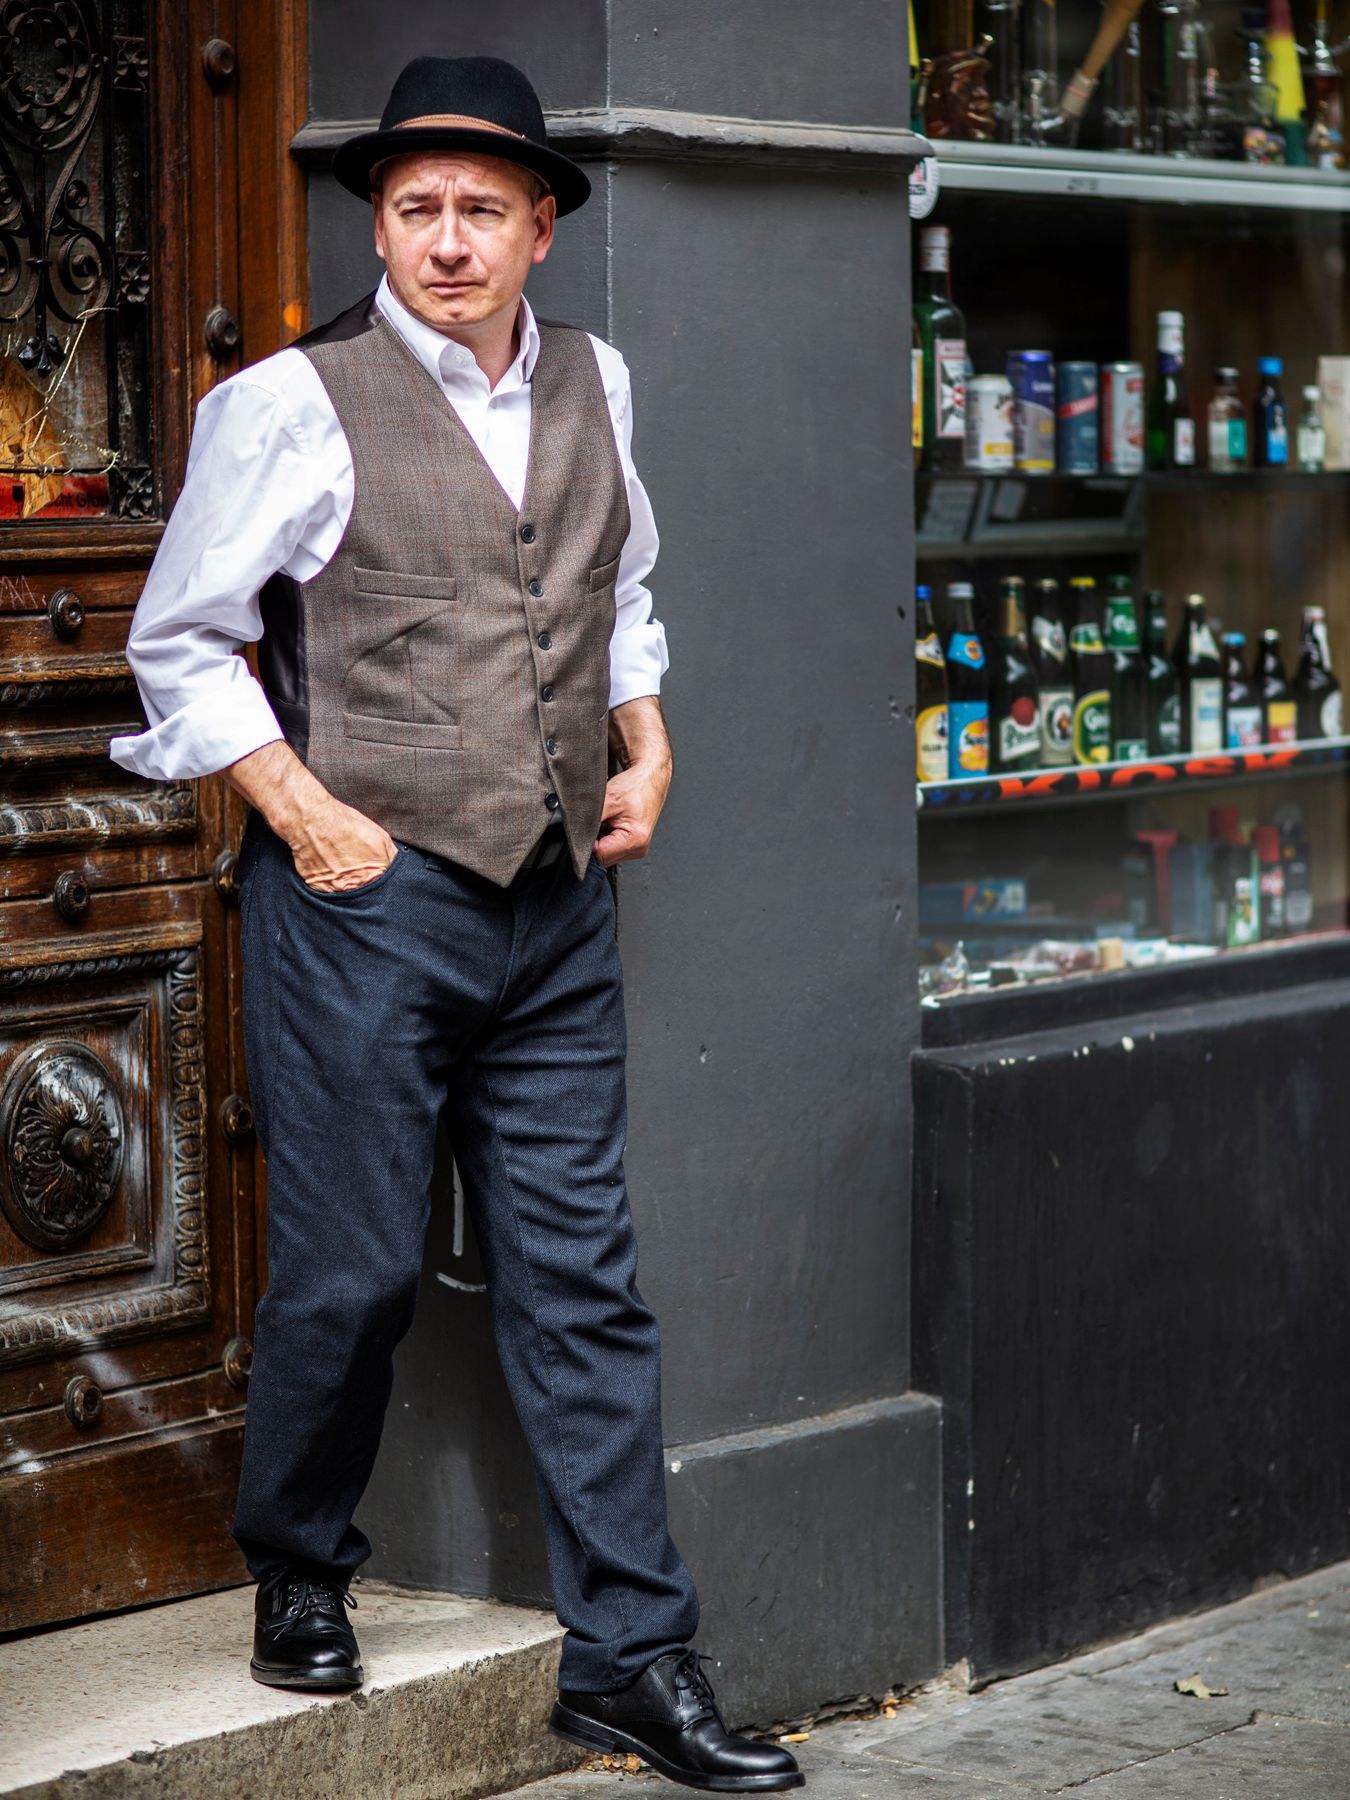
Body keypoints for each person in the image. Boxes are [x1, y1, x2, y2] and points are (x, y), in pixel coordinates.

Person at [109, 53, 803, 1795]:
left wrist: (647, 737)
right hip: (366, 902)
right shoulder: (289, 402)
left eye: (481, 209)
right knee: (351, 1270)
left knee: (584, 1285)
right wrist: (306, 816)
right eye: (414, 207)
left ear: (540, 228)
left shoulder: (595, 379)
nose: (444, 240)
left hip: (556, 902)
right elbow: (179, 639)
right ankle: (299, 1564)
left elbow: (613, 583)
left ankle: (632, 1659)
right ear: (380, 224)